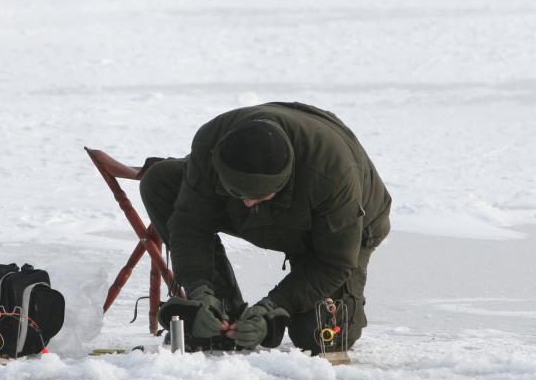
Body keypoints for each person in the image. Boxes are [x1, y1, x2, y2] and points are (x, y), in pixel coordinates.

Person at [139, 102, 391, 353]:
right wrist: (200, 290)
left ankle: (283, 318)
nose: (248, 202)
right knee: (160, 181)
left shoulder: (333, 176)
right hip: (269, 209)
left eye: (260, 195)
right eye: (238, 192)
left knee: (318, 338)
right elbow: (189, 224)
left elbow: (333, 263)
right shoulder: (212, 141)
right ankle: (222, 312)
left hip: (336, 232)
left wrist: (273, 307)